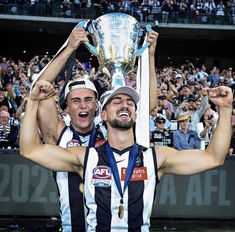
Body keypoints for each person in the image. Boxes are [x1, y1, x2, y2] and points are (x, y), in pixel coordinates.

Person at [20, 80, 233, 231]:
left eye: (130, 102)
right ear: (103, 114)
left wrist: (225, 109)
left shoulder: (155, 157)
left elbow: (213, 157)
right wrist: (32, 103)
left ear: (135, 113)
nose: (125, 104)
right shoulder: (85, 157)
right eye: (117, 101)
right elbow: (30, 150)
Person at [34, 28, 159, 232]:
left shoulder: (111, 132)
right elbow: (41, 86)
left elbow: (148, 106)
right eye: (76, 101)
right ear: (66, 107)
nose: (83, 106)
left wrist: (149, 55)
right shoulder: (57, 133)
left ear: (98, 108)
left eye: (89, 100)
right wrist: (69, 48)